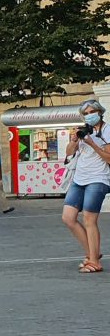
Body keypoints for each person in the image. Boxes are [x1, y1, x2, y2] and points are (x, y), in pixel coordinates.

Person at [62, 99, 110, 274]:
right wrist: (75, 140)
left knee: (89, 219)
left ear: (100, 112)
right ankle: (92, 254)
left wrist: (92, 143)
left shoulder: (107, 130)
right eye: (86, 113)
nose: (89, 115)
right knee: (68, 218)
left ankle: (94, 261)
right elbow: (68, 153)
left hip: (98, 179)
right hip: (79, 179)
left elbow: (109, 158)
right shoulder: (83, 130)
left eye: (92, 112)